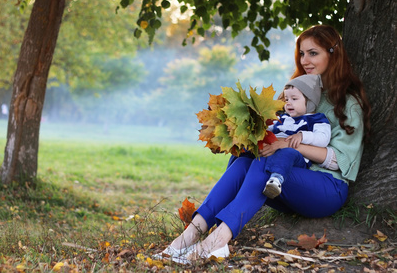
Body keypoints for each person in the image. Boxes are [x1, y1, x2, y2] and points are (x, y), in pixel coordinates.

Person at [153, 25, 371, 264]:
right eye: (301, 53)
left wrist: (287, 145)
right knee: (246, 162)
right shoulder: (295, 94)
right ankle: (186, 238)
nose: (305, 60)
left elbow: (342, 161)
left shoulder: (347, 103)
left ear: (333, 54)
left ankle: (216, 242)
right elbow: (271, 137)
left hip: (327, 188)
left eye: (313, 53)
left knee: (266, 160)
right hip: (283, 180)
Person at [262, 74, 331, 199]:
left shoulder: (317, 119)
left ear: (310, 101)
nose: (288, 103)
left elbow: (323, 139)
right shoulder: (283, 118)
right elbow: (269, 129)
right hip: (274, 149)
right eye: (287, 99)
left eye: (294, 99)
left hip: (297, 156)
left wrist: (302, 136)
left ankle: (275, 180)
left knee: (287, 153)